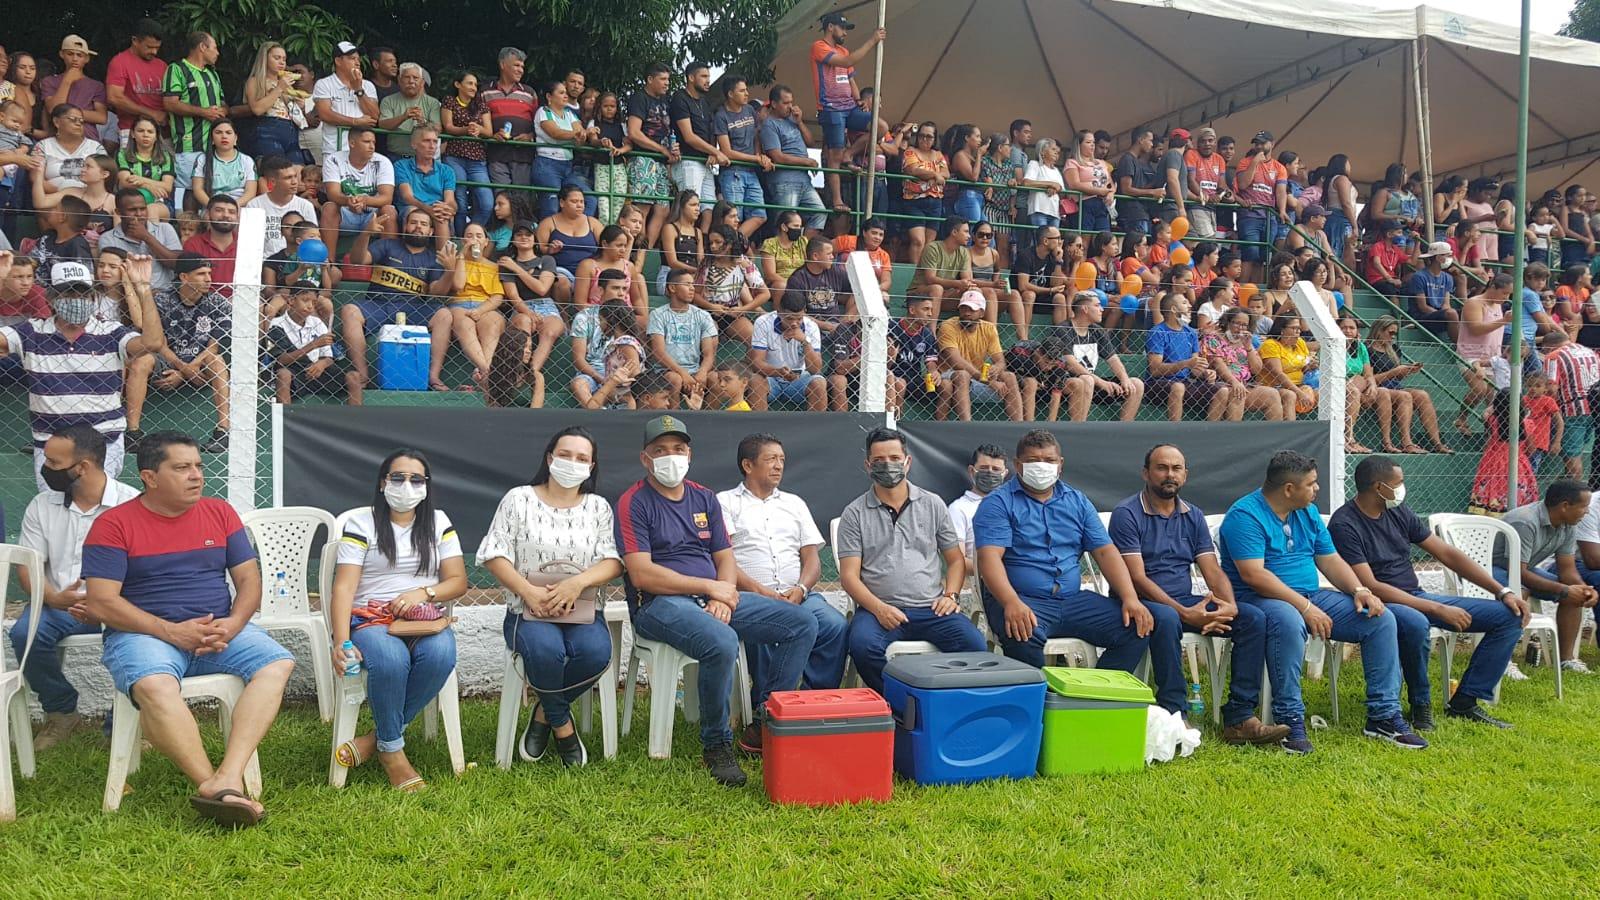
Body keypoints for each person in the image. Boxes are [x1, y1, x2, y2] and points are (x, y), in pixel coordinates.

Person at [82, 431, 295, 827]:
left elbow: (250, 581)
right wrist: (171, 632)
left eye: (198, 466)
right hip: (143, 635)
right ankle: (214, 788)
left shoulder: (220, 512)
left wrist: (233, 624)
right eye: (182, 468)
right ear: (149, 476)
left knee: (277, 664)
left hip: (218, 629)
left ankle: (228, 775)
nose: (196, 475)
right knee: (154, 687)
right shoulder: (113, 525)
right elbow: (101, 602)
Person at [616, 416, 818, 784]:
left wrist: (725, 594)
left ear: (689, 454)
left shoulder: (704, 497)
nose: (670, 457)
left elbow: (724, 556)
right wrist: (712, 590)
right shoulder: (634, 502)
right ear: (645, 459)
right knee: (721, 640)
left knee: (801, 622)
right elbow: (642, 574)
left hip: (713, 596)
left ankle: (766, 722)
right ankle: (717, 743)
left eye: (678, 449)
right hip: (659, 604)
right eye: (660, 451)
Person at [1219, 451, 1421, 754]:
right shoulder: (1245, 515)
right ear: (1289, 489)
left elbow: (1329, 559)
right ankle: (1290, 720)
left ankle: (1383, 716)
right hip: (1262, 599)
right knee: (1289, 622)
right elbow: (1254, 575)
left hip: (1310, 596)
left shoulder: (1307, 512)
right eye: (1312, 484)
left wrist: (1359, 589)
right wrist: (1305, 607)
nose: (1316, 489)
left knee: (1380, 618)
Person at [974, 430, 1183, 715]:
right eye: (1033, 460)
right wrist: (1011, 602)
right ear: (1017, 464)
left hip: (1072, 600)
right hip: (1021, 599)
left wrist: (1131, 598)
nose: (1042, 466)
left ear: (1060, 463)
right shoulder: (998, 503)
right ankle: (1035, 714)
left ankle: (1090, 703)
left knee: (1137, 624)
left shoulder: (1077, 501)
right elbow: (989, 560)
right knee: (1025, 633)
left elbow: (1106, 552)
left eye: (1048, 460)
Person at [1331, 456, 1526, 729]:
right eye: (1398, 483)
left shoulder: (1398, 511)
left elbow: (1446, 553)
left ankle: (1465, 701)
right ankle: (1420, 703)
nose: (1402, 488)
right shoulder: (1345, 524)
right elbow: (1371, 585)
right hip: (1383, 602)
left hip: (1417, 595)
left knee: (1508, 616)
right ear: (1379, 487)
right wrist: (1435, 608)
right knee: (1415, 621)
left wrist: (1502, 591)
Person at [1109, 444, 1288, 742]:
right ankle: (1175, 713)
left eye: (1176, 468)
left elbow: (1212, 570)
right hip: (1141, 602)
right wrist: (1185, 613)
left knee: (1252, 617)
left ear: (1185, 475)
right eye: (1161, 467)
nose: (1169, 474)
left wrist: (1229, 605)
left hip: (1185, 602)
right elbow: (1137, 578)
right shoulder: (1127, 513)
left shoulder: (1192, 515)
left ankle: (1240, 717)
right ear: (1146, 473)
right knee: (1166, 617)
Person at [479, 426, 620, 767]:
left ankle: (544, 713)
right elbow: (494, 554)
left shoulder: (598, 507)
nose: (573, 463)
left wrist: (577, 584)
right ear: (550, 458)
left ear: (592, 466)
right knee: (546, 651)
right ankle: (563, 728)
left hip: (581, 608)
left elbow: (613, 561)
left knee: (595, 653)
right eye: (566, 455)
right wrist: (528, 592)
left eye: (582, 458)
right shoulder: (518, 499)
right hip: (527, 609)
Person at [329, 449, 466, 790]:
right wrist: (341, 641)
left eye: (416, 479)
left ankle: (377, 738)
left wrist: (424, 594)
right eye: (398, 478)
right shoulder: (360, 525)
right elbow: (343, 587)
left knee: (440, 656)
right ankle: (392, 752)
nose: (407, 486)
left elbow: (458, 581)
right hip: (372, 618)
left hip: (423, 617)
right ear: (382, 483)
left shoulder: (438, 522)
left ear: (426, 486)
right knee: (391, 660)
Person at [9, 425, 142, 749]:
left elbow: (144, 572)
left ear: (81, 467)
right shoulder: (42, 505)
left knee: (140, 643)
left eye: (53, 463)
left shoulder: (132, 505)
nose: (45, 468)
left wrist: (106, 602)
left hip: (117, 605)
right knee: (25, 633)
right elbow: (29, 566)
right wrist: (53, 598)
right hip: (58, 605)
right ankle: (61, 711)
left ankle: (124, 723)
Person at [718, 433, 848, 750]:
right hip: (749, 596)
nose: (779, 466)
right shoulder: (724, 503)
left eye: (782, 460)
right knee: (769, 627)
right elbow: (724, 558)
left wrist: (802, 588)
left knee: (834, 626)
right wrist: (759, 591)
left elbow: (813, 558)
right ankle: (769, 711)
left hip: (798, 595)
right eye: (771, 459)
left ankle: (811, 705)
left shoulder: (794, 504)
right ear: (747, 465)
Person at [839, 427, 984, 695]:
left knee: (975, 646)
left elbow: (955, 560)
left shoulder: (933, 504)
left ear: (908, 462)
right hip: (877, 611)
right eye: (879, 460)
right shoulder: (854, 513)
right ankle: (900, 707)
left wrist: (950, 595)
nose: (888, 465)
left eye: (895, 458)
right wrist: (879, 609)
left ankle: (941, 703)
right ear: (868, 465)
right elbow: (849, 576)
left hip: (932, 609)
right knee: (862, 647)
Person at [0, 255, 164, 482]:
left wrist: (143, 288)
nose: (76, 299)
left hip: (103, 442)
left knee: (100, 510)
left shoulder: (111, 331)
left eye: (82, 293)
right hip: (52, 443)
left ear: (92, 296)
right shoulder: (32, 332)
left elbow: (153, 343)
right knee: (54, 511)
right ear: (53, 298)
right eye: (68, 293)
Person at [339, 207, 457, 389]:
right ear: (405, 226)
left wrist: (449, 271)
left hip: (415, 309)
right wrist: (366, 234)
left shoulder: (433, 257)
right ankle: (362, 375)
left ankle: (433, 377)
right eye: (414, 222)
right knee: (349, 311)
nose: (418, 227)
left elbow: (436, 292)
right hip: (378, 304)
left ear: (431, 231)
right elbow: (357, 260)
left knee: (445, 315)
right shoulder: (388, 245)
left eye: (424, 224)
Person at [1493, 480, 1600, 674]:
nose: (1587, 512)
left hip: (1521, 570)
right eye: (1584, 507)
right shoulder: (1525, 521)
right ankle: (1503, 662)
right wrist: (1564, 589)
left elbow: (1567, 570)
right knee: (1519, 591)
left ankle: (1566, 660)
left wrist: (1584, 589)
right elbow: (1519, 574)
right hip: (1487, 568)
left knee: (1574, 594)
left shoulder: (1569, 523)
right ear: (1565, 506)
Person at [142, 254, 230, 451]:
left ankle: (223, 430)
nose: (208, 279)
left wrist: (184, 373)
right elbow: (159, 343)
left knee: (216, 360)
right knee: (142, 361)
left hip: (201, 363)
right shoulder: (163, 300)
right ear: (183, 277)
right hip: (167, 361)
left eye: (209, 273)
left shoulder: (219, 302)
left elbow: (213, 346)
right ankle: (133, 433)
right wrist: (182, 367)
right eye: (201, 274)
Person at [808, 13, 884, 211]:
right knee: (834, 156)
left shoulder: (842, 49)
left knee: (880, 126)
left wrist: (859, 100)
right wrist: (872, 41)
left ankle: (849, 154)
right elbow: (847, 61)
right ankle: (837, 200)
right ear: (831, 27)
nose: (845, 33)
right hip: (830, 107)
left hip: (849, 106)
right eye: (843, 28)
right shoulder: (819, 46)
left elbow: (850, 79)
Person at [266, 281, 361, 405]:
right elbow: (281, 361)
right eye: (305, 300)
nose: (310, 306)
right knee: (283, 375)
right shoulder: (277, 325)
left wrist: (322, 363)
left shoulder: (316, 322)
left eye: (314, 302)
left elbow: (329, 357)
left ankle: (353, 420)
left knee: (354, 377)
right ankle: (285, 420)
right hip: (295, 373)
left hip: (318, 371)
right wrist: (314, 345)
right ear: (291, 301)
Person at [161, 33, 226, 212]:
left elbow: (223, 104)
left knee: (211, 189)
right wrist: (204, 112)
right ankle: (187, 231)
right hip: (189, 143)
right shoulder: (177, 69)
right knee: (189, 189)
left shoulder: (213, 74)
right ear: (202, 47)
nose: (217, 53)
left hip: (214, 146)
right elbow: (169, 103)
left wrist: (222, 111)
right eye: (214, 47)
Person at [936, 290, 1021, 421]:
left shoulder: (988, 328)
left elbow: (1000, 361)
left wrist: (996, 369)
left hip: (978, 377)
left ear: (982, 313)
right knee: (962, 375)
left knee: (1009, 376)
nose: (967, 313)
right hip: (949, 375)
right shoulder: (947, 326)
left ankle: (1018, 427)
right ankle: (967, 426)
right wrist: (987, 381)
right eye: (963, 308)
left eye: (972, 309)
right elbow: (956, 362)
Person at [1061, 290, 1144, 422]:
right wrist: (1100, 382)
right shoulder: (1063, 329)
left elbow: (1114, 360)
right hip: (1068, 384)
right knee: (1087, 380)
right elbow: (1070, 364)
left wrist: (1124, 379)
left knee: (1136, 384)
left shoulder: (1097, 331)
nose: (1101, 309)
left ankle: (1124, 430)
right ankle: (1078, 429)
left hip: (1094, 384)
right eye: (1097, 305)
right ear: (1085, 309)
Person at [1145, 292, 1225, 421]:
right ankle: (1175, 433)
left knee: (1222, 390)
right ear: (1173, 309)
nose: (1189, 306)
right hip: (1157, 384)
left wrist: (1205, 373)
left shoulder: (1190, 333)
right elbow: (1155, 370)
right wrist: (1185, 364)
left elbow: (1194, 368)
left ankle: (1210, 433)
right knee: (1178, 387)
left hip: (1186, 382)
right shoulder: (1158, 332)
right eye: (1184, 303)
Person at [759, 85, 826, 235]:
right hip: (784, 181)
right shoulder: (769, 125)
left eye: (791, 102)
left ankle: (801, 250)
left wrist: (800, 122)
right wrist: (806, 162)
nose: (790, 107)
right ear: (774, 104)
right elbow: (777, 156)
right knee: (785, 222)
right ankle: (779, 256)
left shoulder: (792, 120)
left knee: (820, 212)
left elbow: (811, 143)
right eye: (785, 103)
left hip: (804, 180)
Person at [318, 126, 395, 253]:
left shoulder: (382, 162)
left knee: (389, 211)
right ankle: (329, 263)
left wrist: (364, 200)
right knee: (329, 207)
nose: (372, 146)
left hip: (372, 215)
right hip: (346, 213)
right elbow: (333, 194)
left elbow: (387, 197)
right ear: (352, 143)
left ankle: (390, 264)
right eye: (366, 142)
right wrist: (348, 201)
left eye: (373, 142)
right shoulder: (334, 160)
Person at [747, 292, 827, 412]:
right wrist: (778, 372)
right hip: (770, 377)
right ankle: (760, 427)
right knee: (755, 380)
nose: (794, 323)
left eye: (799, 318)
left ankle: (814, 428)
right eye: (789, 318)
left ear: (804, 311)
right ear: (779, 312)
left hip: (800, 378)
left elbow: (815, 369)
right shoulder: (763, 322)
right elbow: (757, 362)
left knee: (819, 383)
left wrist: (805, 341)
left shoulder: (811, 326)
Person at [648, 268, 718, 401]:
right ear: (673, 288)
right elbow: (659, 352)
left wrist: (702, 373)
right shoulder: (658, 315)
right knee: (675, 379)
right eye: (687, 284)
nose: (692, 288)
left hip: (695, 370)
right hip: (666, 371)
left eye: (693, 284)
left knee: (714, 378)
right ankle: (673, 419)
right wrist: (682, 373)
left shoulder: (703, 315)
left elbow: (709, 353)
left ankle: (709, 418)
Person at [714, 76, 769, 238]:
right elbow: (727, 151)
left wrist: (759, 155)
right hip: (732, 173)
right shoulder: (721, 116)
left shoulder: (749, 110)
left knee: (760, 215)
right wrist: (757, 159)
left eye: (746, 90)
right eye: (742, 90)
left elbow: (756, 136)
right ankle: (732, 245)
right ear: (730, 94)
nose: (747, 94)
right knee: (733, 216)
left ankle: (734, 243)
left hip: (751, 171)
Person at [532, 80, 595, 220]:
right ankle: (549, 240)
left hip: (567, 165)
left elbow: (580, 136)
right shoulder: (544, 111)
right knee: (551, 206)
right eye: (561, 93)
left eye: (565, 93)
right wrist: (578, 134)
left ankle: (577, 234)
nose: (565, 96)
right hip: (547, 164)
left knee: (589, 199)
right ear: (549, 96)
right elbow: (555, 133)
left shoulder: (569, 113)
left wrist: (584, 134)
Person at [667, 62, 725, 214]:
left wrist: (712, 153)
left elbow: (709, 130)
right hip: (688, 161)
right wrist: (716, 152)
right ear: (691, 78)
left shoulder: (704, 102)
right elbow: (689, 136)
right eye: (704, 76)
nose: (708, 81)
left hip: (705, 162)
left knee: (709, 210)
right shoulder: (680, 98)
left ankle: (702, 238)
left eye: (709, 76)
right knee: (687, 208)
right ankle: (679, 237)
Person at [1543, 329, 1600, 479]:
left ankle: (1575, 495)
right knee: (1576, 452)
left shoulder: (1553, 356)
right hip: (1595, 408)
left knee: (1572, 457)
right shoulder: (1589, 351)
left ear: (1548, 347)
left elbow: (1551, 388)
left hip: (1572, 410)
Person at [441, 70, 493, 233]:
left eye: (476, 85)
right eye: (470, 83)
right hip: (454, 156)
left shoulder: (481, 105)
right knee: (460, 202)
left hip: (477, 158)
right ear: (457, 84)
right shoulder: (449, 101)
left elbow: (489, 132)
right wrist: (466, 129)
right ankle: (459, 240)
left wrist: (478, 129)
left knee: (486, 202)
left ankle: (471, 233)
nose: (474, 87)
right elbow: (448, 127)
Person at [1234, 132, 1288, 284]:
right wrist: (1254, 163)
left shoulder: (1279, 167)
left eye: (1262, 143)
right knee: (1250, 253)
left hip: (1269, 215)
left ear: (1272, 143)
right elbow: (1243, 184)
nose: (1259, 146)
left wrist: (1282, 210)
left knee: (1263, 257)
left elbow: (1281, 191)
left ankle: (1257, 290)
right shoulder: (1245, 162)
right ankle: (1243, 290)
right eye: (1256, 143)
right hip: (1250, 214)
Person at [311, 41, 378, 160]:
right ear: (338, 61)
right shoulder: (324, 84)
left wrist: (359, 90)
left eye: (358, 59)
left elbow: (374, 115)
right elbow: (325, 114)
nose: (357, 62)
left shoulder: (368, 85)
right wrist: (355, 122)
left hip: (362, 151)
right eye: (352, 58)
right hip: (334, 150)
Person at [105, 20, 167, 145]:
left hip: (163, 133)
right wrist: (151, 114)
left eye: (157, 48)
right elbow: (114, 97)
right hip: (132, 131)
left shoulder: (162, 65)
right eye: (149, 47)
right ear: (135, 40)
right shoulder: (120, 62)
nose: (154, 52)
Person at [481, 48, 537, 189]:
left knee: (522, 200)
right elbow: (477, 122)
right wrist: (492, 136)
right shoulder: (485, 91)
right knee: (502, 197)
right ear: (502, 65)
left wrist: (531, 136)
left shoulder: (529, 93)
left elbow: (540, 123)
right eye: (516, 65)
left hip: (523, 156)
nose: (521, 70)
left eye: (522, 67)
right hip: (496, 154)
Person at [947, 443, 1008, 566]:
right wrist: (994, 572)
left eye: (996, 469)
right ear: (971, 471)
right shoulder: (958, 509)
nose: (990, 473)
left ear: (1005, 474)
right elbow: (957, 560)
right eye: (984, 468)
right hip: (977, 582)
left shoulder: (1013, 506)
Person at [39, 36, 107, 144]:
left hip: (88, 138)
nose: (75, 59)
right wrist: (67, 81)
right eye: (70, 54)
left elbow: (102, 117)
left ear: (87, 58)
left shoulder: (97, 86)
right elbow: (53, 109)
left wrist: (68, 114)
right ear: (62, 54)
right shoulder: (49, 81)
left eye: (79, 55)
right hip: (57, 139)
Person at [392, 125, 456, 230]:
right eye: (426, 141)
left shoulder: (447, 170)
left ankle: (445, 247)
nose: (432, 146)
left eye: (435, 142)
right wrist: (428, 209)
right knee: (415, 215)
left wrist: (447, 207)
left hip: (436, 209)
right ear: (414, 144)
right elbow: (408, 197)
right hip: (411, 208)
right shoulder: (401, 166)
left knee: (441, 216)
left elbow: (450, 200)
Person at [377, 63, 440, 159]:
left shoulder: (433, 102)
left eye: (415, 78)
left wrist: (423, 121)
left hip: (423, 158)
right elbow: (382, 125)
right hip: (395, 155)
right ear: (399, 80)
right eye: (407, 77)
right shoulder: (388, 100)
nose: (411, 81)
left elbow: (438, 129)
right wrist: (403, 117)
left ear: (422, 82)